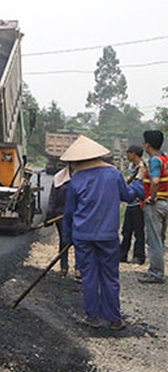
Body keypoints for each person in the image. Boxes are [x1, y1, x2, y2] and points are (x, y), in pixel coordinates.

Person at [60, 135, 143, 330]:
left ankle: (92, 317)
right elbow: (128, 195)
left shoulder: (77, 179)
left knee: (89, 276)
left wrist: (67, 238)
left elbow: (69, 214)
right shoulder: (113, 174)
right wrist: (139, 183)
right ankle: (114, 319)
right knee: (110, 276)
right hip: (107, 235)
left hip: (83, 235)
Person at [139, 130, 168, 284]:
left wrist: (152, 197)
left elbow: (155, 181)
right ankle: (158, 270)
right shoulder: (166, 158)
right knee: (160, 239)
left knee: (154, 240)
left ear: (147, 144)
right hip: (166, 203)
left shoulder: (155, 160)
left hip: (156, 205)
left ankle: (156, 273)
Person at [46, 166, 77, 278]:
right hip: (61, 215)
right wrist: (50, 214)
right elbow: (53, 198)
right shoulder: (59, 177)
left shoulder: (83, 177)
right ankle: (64, 267)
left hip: (79, 215)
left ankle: (78, 268)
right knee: (64, 240)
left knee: (79, 241)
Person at [120, 144, 147, 264]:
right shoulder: (133, 167)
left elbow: (139, 184)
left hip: (138, 203)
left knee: (138, 231)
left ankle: (139, 256)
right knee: (126, 230)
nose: (127, 155)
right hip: (131, 203)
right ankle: (122, 254)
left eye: (128, 153)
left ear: (134, 153)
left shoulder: (142, 167)